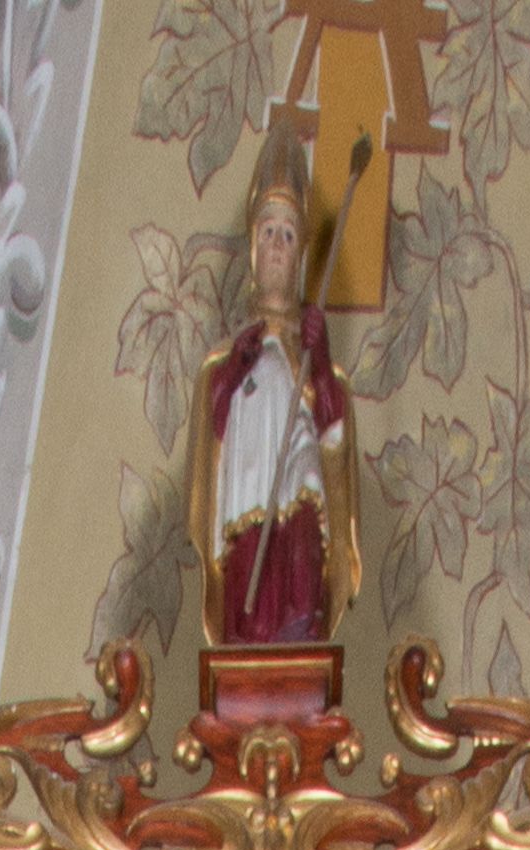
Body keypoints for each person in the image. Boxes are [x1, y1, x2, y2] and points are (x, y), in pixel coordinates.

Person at [186, 120, 359, 646]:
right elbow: (210, 447)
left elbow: (335, 445)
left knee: (301, 543)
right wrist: (235, 370)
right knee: (248, 577)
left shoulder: (315, 359)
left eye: (288, 234)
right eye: (268, 233)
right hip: (246, 489)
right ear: (253, 249)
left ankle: (299, 624)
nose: (278, 245)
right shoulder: (224, 361)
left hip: (298, 480)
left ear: (301, 253)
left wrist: (319, 366)